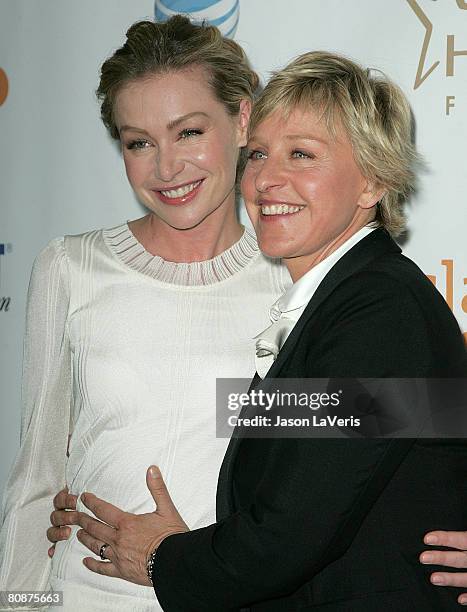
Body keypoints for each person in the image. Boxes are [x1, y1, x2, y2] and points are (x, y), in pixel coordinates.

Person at [55, 51, 467, 611]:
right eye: (258, 155)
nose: (267, 180)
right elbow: (343, 480)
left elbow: (286, 537)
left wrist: (160, 557)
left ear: (372, 181)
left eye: (302, 155)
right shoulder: (331, 304)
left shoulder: (379, 311)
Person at [0, 16, 291, 612]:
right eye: (139, 142)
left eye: (188, 133)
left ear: (240, 120)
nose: (166, 168)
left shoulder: (292, 279)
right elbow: (36, 477)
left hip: (228, 598)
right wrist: (20, 601)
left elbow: (377, 437)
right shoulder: (69, 268)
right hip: (79, 596)